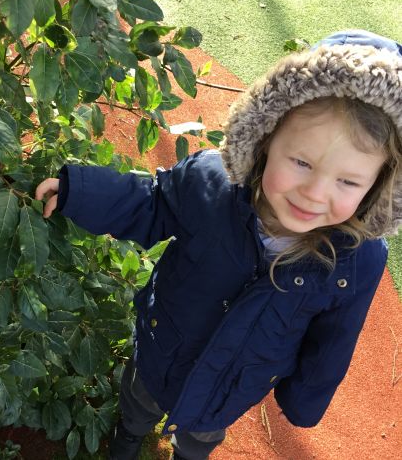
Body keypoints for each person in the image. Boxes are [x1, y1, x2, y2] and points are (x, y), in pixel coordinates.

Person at [35, 30, 402, 460]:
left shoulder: (356, 260)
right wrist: (81, 193)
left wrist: (305, 399)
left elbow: (336, 336)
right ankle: (128, 437)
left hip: (230, 386)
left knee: (200, 437)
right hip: (161, 347)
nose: (315, 194)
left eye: (348, 182)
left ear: (379, 185)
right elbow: (151, 203)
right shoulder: (210, 183)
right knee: (137, 403)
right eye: (302, 162)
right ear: (266, 137)